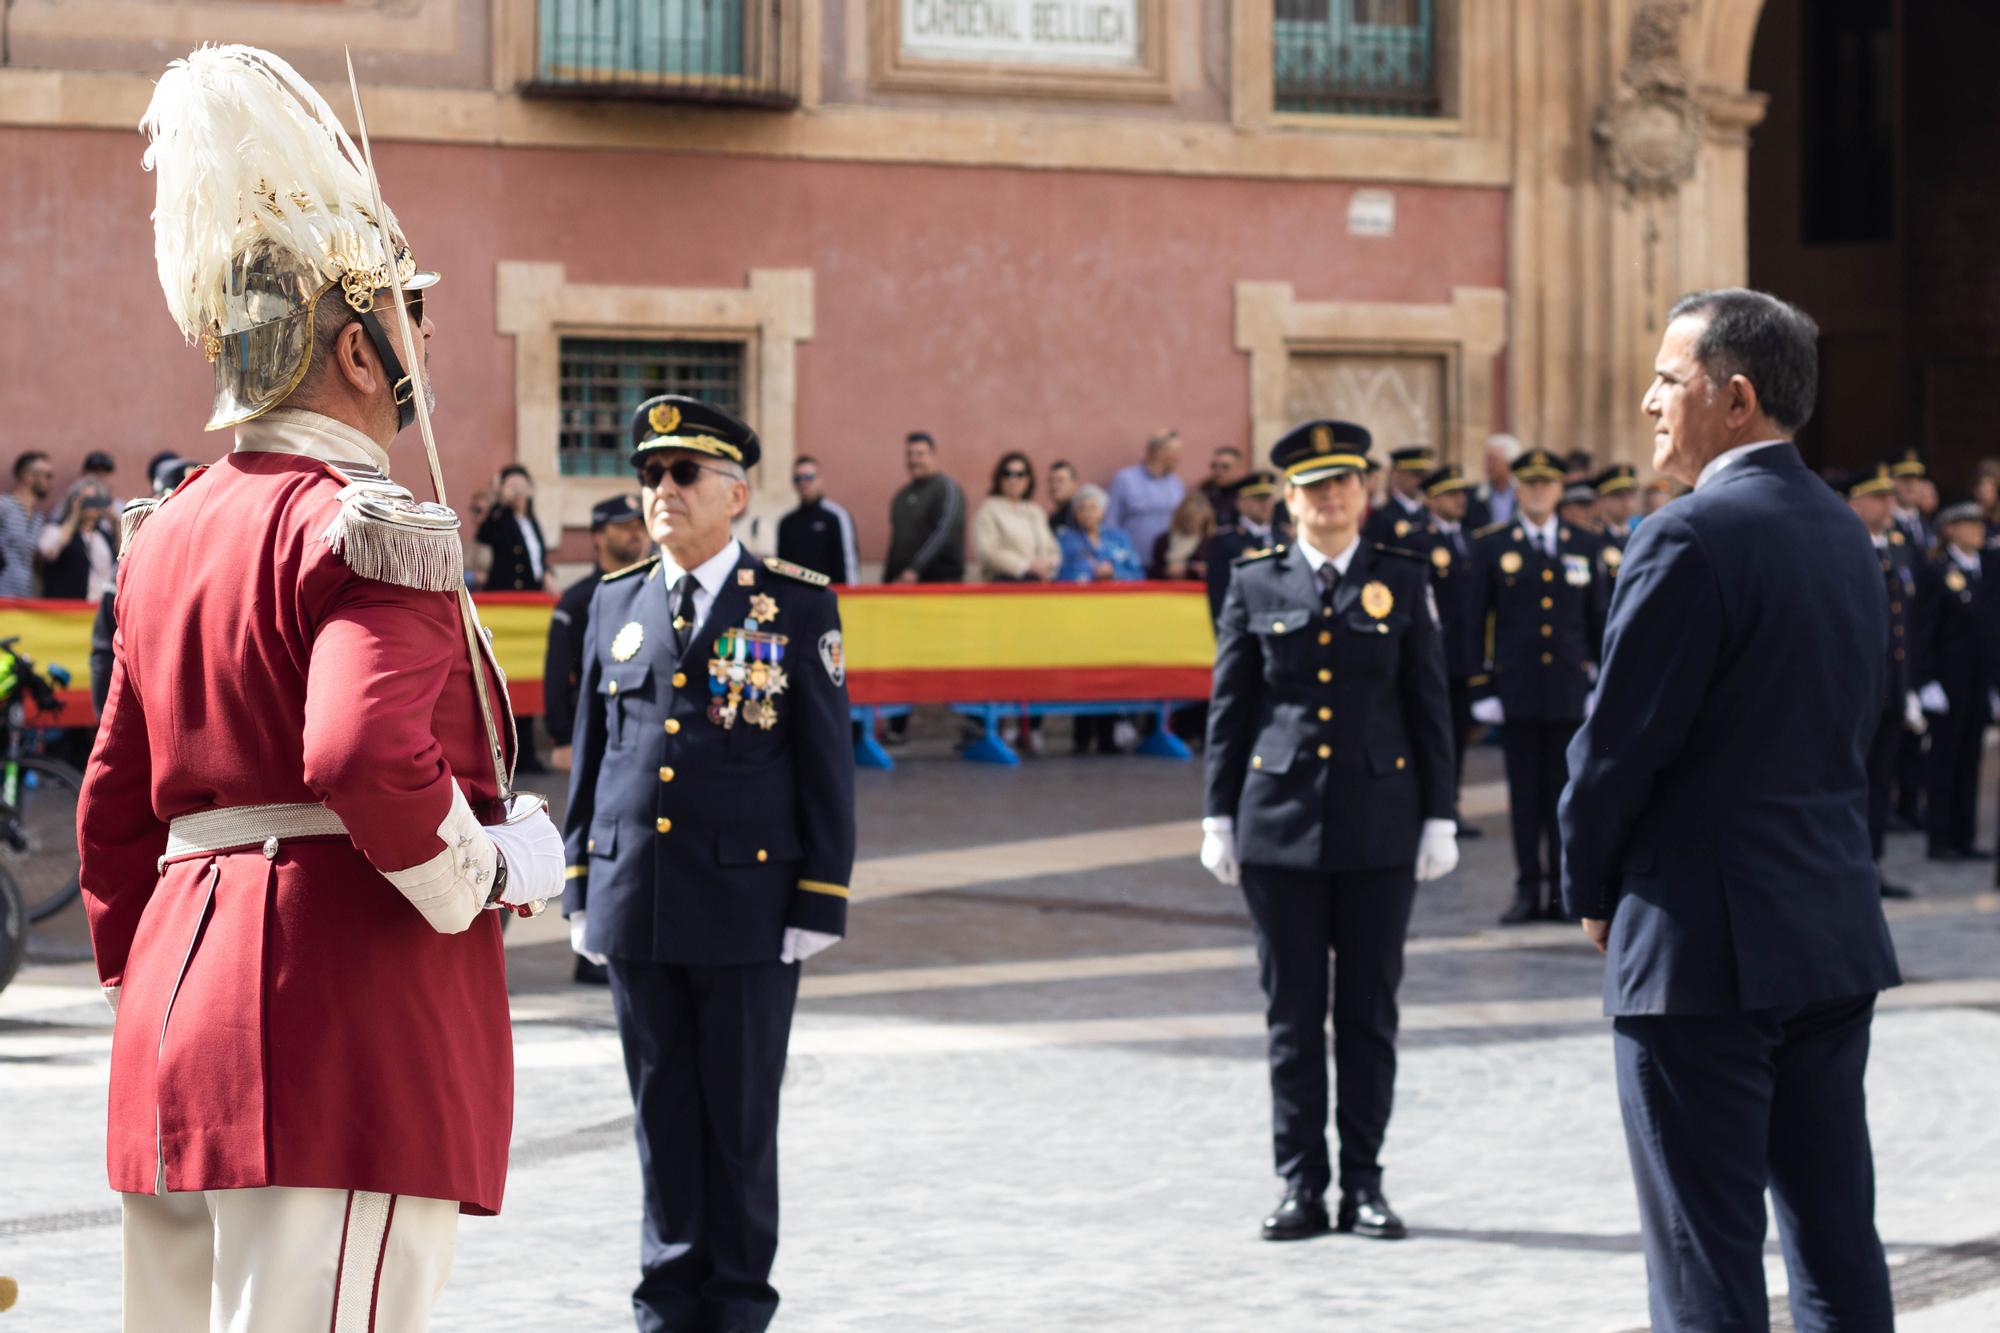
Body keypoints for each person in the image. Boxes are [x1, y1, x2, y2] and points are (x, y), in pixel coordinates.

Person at [79, 45, 563, 1331]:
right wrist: (490, 870)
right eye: (407, 313)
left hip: (179, 1017)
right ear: (357, 353)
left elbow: (113, 807)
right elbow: (358, 751)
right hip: (338, 1019)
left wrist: (150, 981)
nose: (423, 336)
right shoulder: (367, 522)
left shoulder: (164, 533)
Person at [1559, 287, 1900, 1333]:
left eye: (1668, 378)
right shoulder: (1847, 531)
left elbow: (1613, 751)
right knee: (1835, 1243)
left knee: (1702, 1259)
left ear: (1734, 397)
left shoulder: (1686, 536)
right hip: (1828, 934)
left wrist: (1589, 890)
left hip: (1700, 953)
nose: (1650, 400)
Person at [563, 393, 854, 1333]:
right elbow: (596, 753)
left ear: (736, 493)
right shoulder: (614, 601)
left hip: (748, 903)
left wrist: (821, 893)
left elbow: (824, 762)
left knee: (736, 1119)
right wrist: (580, 881)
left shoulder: (794, 600)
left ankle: (735, 1303)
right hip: (638, 900)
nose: (662, 491)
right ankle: (665, 1297)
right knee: (660, 1111)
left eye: (683, 474)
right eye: (650, 475)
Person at [1200, 418, 1457, 1245]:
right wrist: (1216, 813)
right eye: (1314, 486)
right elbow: (1231, 710)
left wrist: (1441, 815)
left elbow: (1429, 706)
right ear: (1289, 499)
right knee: (1292, 1015)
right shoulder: (1254, 582)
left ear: (1365, 491)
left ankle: (1367, 1183)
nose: (1331, 497)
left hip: (1381, 827)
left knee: (1369, 1015)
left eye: (1344, 482)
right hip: (1278, 828)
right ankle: (1301, 1182)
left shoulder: (1402, 578)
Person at [1470, 446, 1608, 925]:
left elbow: (1599, 622)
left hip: (1570, 690)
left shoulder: (1584, 544)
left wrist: (1599, 683)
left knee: (1566, 797)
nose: (1537, 492)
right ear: (1519, 488)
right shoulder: (1492, 544)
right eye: (1529, 485)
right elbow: (1477, 622)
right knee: (1525, 798)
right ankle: (1528, 888)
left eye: (1546, 485)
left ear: (1558, 491)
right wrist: (1482, 688)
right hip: (1518, 690)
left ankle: (1564, 891)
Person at [1836, 465, 1923, 899]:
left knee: (1879, 783)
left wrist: (1909, 688)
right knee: (1850, 783)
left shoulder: (1895, 549)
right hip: (1855, 694)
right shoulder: (1842, 548)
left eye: (1891, 497)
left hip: (1890, 690)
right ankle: (1845, 867)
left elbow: (1905, 624)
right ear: (1855, 503)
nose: (1889, 505)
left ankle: (1870, 864)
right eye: (1878, 497)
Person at [544, 492, 649, 771]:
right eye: (625, 526)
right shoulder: (578, 600)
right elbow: (557, 671)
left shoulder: (660, 591)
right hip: (598, 731)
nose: (635, 533)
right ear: (598, 536)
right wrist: (563, 736)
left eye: (640, 526)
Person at [1915, 501, 1991, 863]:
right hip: (1946, 682)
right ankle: (1940, 838)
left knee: (1970, 759)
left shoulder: (1983, 570)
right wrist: (1926, 680)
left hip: (1976, 682)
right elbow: (1925, 629)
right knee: (1944, 762)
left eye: (1979, 524)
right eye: (1969, 524)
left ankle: (1964, 836)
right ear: (1950, 530)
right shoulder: (1937, 570)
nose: (1978, 530)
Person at [1414, 463, 1481, 836]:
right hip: (1433, 655)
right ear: (1432, 499)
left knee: (1458, 734)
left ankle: (1450, 805)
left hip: (1463, 657)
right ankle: (1431, 807)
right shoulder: (1419, 540)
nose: (1460, 500)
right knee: (1433, 733)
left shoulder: (1470, 541)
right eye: (1451, 494)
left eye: (1462, 493)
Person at [1058, 483, 1143, 753]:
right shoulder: (1066, 539)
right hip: (1082, 618)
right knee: (1084, 674)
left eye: (1093, 507)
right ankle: (1081, 737)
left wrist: (1114, 572)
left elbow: (1137, 572)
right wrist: (1091, 573)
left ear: (1103, 511)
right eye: (1082, 508)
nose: (1088, 513)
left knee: (1110, 673)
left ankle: (1108, 736)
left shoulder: (1118, 538)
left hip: (1115, 618)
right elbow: (1061, 575)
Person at [883, 431, 966, 584]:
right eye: (910, 454)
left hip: (940, 583)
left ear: (933, 456)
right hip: (903, 585)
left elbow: (945, 531)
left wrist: (916, 569)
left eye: (920, 454)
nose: (914, 460)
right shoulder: (901, 496)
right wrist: (887, 581)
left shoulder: (947, 489)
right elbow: (896, 543)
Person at [971, 451, 1061, 581]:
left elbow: (1053, 549)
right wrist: (1026, 566)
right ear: (999, 478)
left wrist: (1048, 564)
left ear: (1028, 479)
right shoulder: (989, 509)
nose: (1013, 480)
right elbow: (987, 552)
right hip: (1005, 586)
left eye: (1020, 474)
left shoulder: (1035, 511)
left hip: (1039, 583)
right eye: (1007, 474)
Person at [1105, 429, 1186, 566]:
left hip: (1167, 567)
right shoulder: (1124, 479)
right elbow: (1111, 523)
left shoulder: (1176, 483)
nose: (1180, 457)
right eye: (1175, 451)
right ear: (1158, 452)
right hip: (1133, 566)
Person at [775, 455, 859, 586]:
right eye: (798, 478)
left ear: (820, 480)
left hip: (829, 598)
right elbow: (782, 568)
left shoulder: (836, 516)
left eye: (809, 477)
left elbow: (849, 566)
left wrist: (850, 598)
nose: (803, 483)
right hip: (796, 599)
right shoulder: (786, 522)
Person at [1206, 470, 1279, 620]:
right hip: (1245, 623)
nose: (1264, 504)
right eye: (1257, 499)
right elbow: (1219, 593)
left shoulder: (1284, 537)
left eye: (1268, 498)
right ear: (1240, 503)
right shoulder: (1225, 541)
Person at [477, 463, 556, 594]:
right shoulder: (501, 518)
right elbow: (484, 535)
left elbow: (536, 557)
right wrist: (500, 500)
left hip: (532, 593)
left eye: (520, 486)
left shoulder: (531, 522)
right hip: (506, 594)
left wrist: (547, 573)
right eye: (512, 486)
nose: (517, 492)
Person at [38, 480, 117, 601]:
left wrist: (117, 523)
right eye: (85, 500)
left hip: (96, 610)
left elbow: (121, 561)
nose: (90, 505)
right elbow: (49, 552)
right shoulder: (55, 529)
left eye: (95, 500)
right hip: (64, 609)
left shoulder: (104, 537)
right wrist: (74, 516)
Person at [0, 451, 53, 597]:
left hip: (23, 602)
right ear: (28, 477)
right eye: (46, 475)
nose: (50, 481)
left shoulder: (38, 518)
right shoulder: (4, 507)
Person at [1360, 445, 1434, 546]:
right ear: (1396, 474)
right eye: (1415, 475)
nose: (1420, 480)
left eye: (1424, 476)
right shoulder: (1382, 516)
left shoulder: (1429, 514)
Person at [1149, 491, 1215, 580]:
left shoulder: (1211, 542)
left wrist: (1203, 570)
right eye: (1190, 520)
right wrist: (1167, 571)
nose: (1194, 526)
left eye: (1199, 522)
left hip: (1197, 591)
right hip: (1166, 590)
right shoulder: (1162, 541)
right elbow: (1153, 572)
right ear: (1182, 518)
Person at [1464, 432, 1519, 531]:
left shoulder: (1521, 493)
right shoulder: (1474, 495)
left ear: (1509, 463)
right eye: (1487, 460)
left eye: (1494, 461)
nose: (1488, 466)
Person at [1891, 450, 1933, 551]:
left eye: (1916, 478)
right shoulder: (1885, 526)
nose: (1911, 484)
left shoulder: (1929, 527)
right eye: (1904, 478)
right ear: (1892, 482)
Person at [1591, 464, 1638, 548]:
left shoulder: (1639, 536)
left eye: (1631, 495)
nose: (1626, 502)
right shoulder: (1592, 538)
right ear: (1601, 500)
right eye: (1618, 496)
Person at [1202, 444, 1247, 531]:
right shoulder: (1204, 494)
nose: (1218, 471)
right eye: (1214, 466)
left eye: (1225, 467)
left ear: (1239, 470)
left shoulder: (1245, 495)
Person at [1046, 458, 1080, 532]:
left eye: (1060, 480)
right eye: (1051, 481)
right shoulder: (1053, 519)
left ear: (1074, 484)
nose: (1054, 485)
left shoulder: (1082, 513)